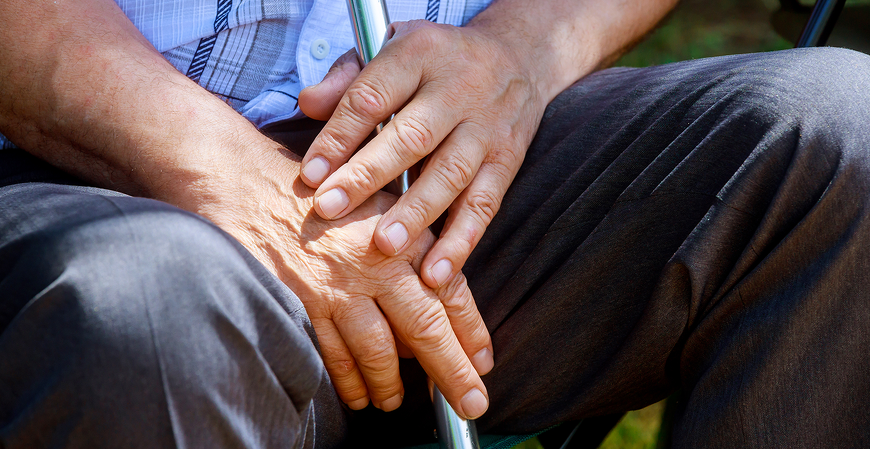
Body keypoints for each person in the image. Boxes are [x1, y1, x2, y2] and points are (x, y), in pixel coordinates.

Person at [2, 0, 870, 446]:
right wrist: (220, 170)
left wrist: (522, 51)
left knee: (841, 139)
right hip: (82, 163)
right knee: (150, 303)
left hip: (468, 154)